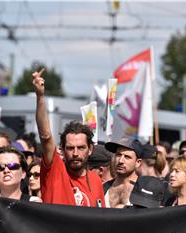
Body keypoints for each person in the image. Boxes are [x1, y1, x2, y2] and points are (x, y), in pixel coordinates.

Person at [33, 69, 105, 207]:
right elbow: (46, 136)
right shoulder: (54, 171)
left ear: (90, 149)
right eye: (70, 148)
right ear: (62, 149)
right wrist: (40, 97)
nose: (76, 153)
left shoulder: (96, 180)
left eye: (81, 147)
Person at [103, 138, 142, 208]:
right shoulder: (104, 187)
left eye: (127, 157)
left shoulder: (143, 191)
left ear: (138, 162)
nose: (120, 161)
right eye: (118, 155)